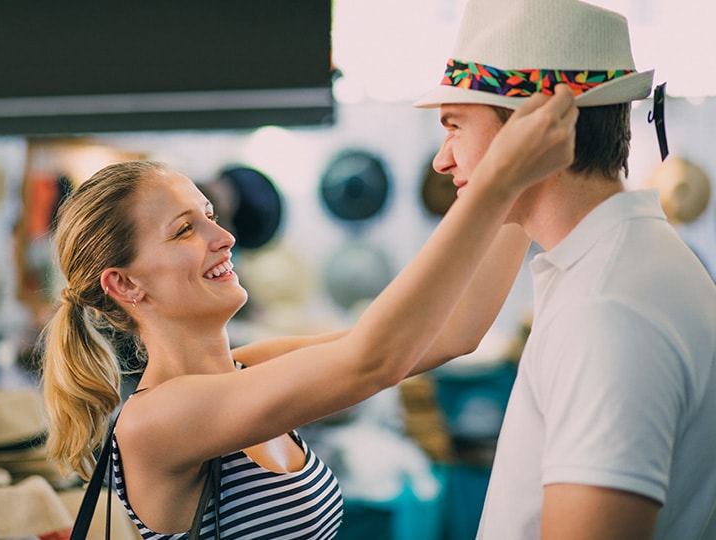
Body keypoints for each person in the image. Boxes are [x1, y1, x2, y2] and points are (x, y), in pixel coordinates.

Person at [41, 87, 577, 540]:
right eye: (185, 229)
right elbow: (375, 360)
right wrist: (496, 183)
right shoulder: (157, 421)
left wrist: (521, 192)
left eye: (209, 216)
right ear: (125, 284)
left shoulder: (251, 368)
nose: (224, 238)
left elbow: (450, 333)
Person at [409, 0, 716, 538]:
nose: (442, 159)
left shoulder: (607, 311)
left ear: (534, 127)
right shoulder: (628, 261)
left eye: (454, 124)